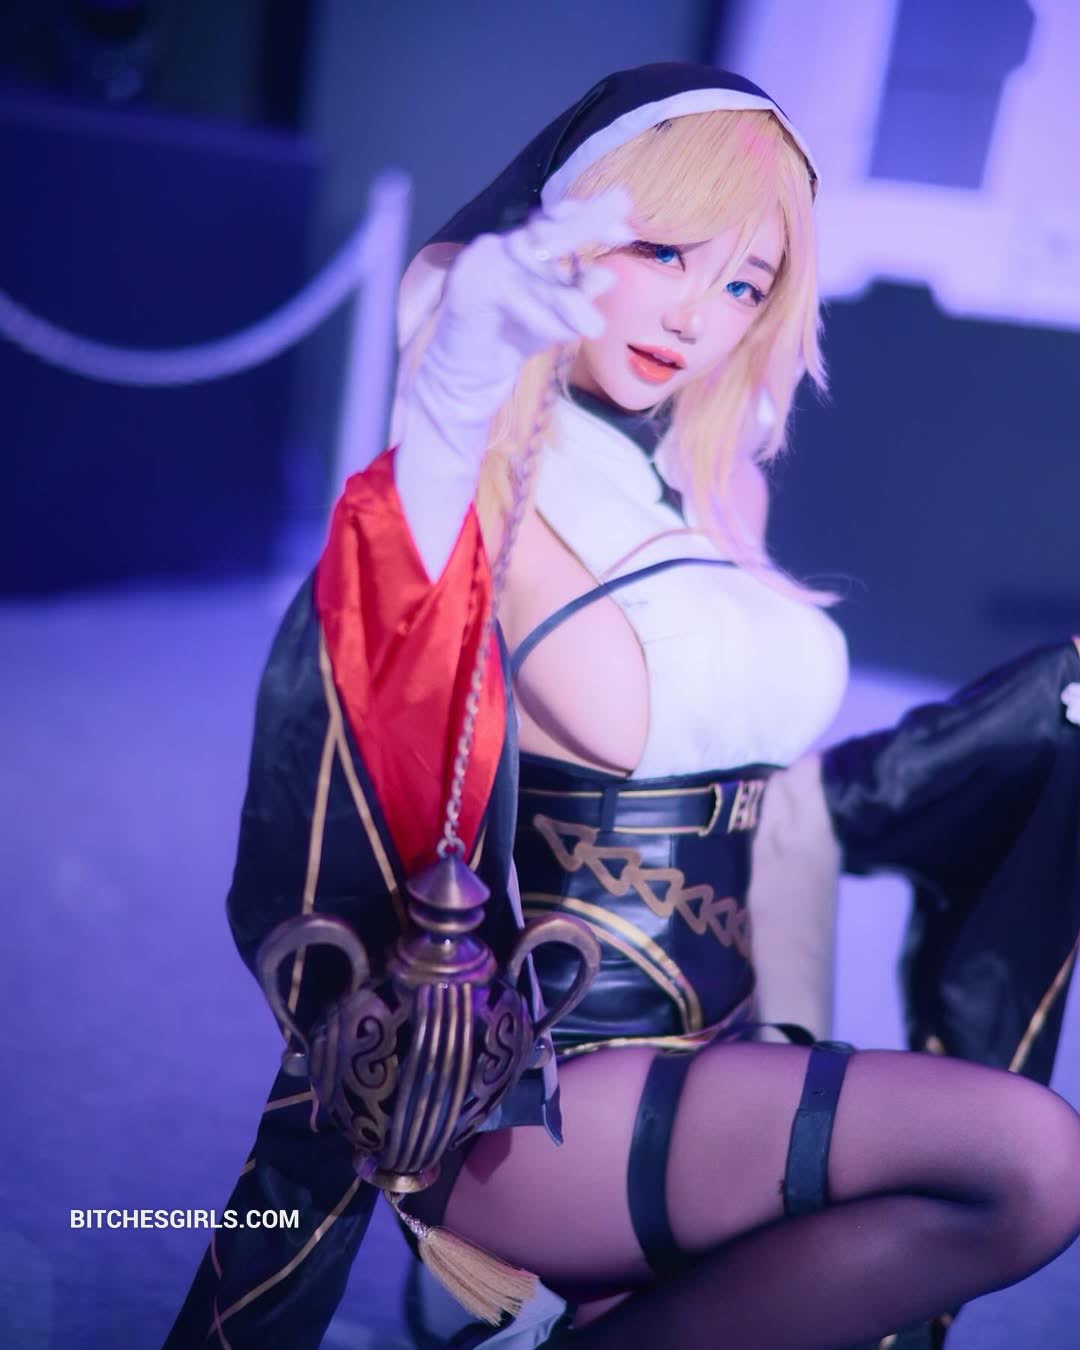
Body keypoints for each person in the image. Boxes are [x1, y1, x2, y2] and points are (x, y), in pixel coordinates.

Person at [165, 65, 1080, 1350]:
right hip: (543, 1094)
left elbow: (774, 797)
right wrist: (452, 383)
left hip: (719, 1058)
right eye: (664, 250)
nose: (698, 314)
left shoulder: (718, 487)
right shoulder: (483, 477)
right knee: (1028, 1162)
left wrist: (1023, 722)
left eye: (746, 284)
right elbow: (392, 617)